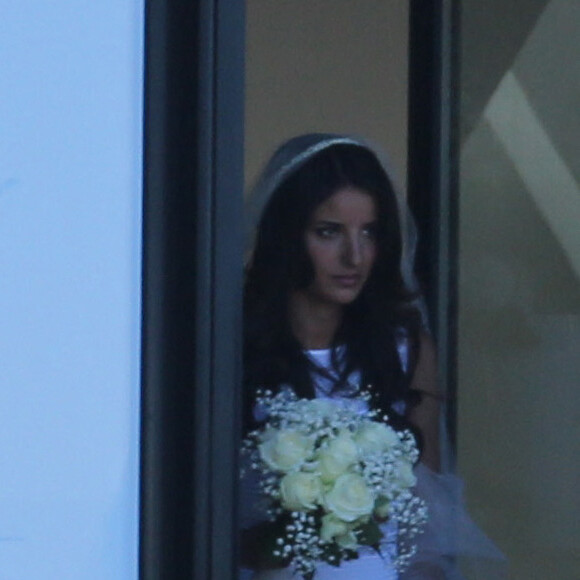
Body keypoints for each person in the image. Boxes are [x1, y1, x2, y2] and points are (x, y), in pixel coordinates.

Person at [241, 134, 504, 579]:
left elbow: (424, 529)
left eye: (369, 232)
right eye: (329, 232)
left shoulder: (404, 350)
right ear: (287, 234)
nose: (354, 256)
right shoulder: (236, 348)